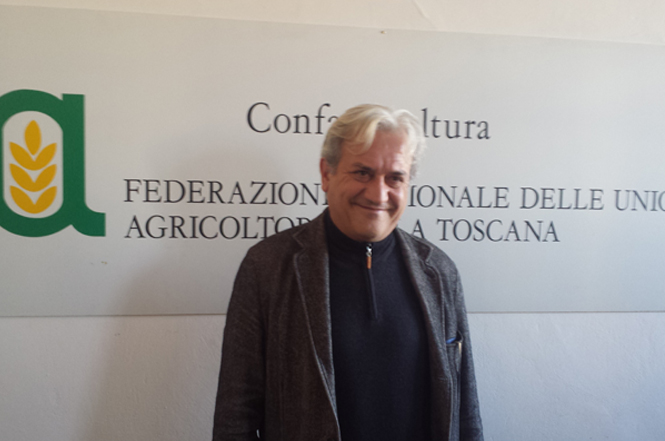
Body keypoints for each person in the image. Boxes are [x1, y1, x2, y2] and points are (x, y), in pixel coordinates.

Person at [213, 104, 483, 441]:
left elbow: (465, 405)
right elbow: (235, 415)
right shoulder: (267, 266)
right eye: (362, 173)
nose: (378, 194)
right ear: (327, 174)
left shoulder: (440, 271)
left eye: (395, 177)